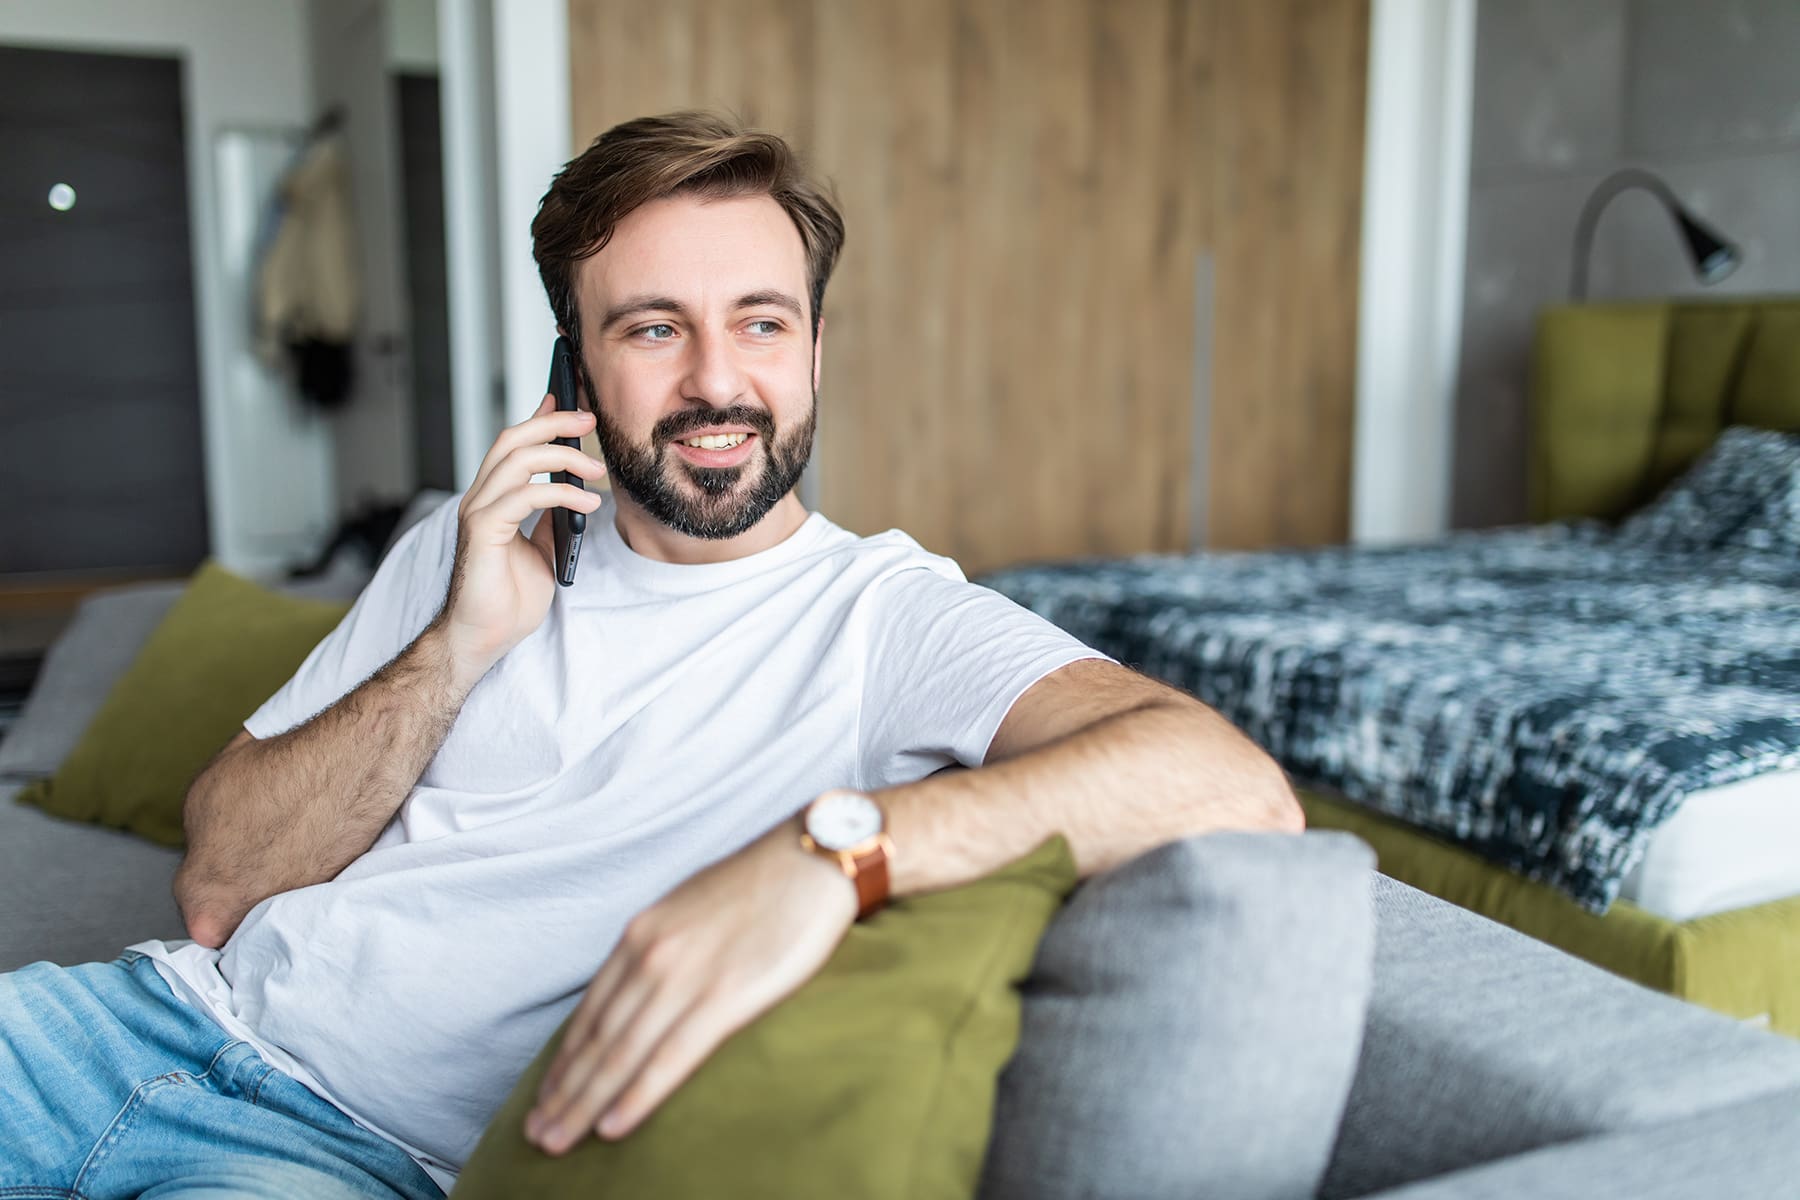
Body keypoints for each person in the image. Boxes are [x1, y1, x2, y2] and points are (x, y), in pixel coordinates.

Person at [0, 111, 1301, 1198]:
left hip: (343, 1163)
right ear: (576, 368)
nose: (717, 383)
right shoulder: (473, 545)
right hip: (143, 1023)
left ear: (815, 348)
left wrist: (837, 853)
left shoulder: (886, 618)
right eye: (655, 328)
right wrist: (461, 642)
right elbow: (221, 884)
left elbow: (1233, 788)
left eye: (762, 323)